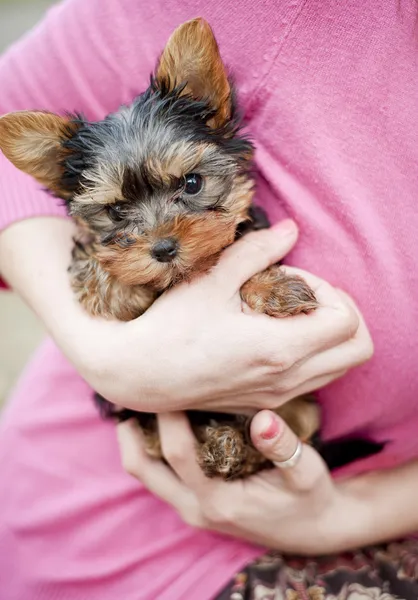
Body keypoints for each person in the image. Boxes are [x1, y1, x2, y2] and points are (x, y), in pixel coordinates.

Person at [0, 0, 417, 598]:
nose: (163, 236)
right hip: (89, 508)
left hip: (332, 503)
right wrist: (107, 356)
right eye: (119, 213)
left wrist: (345, 518)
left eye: (191, 185)